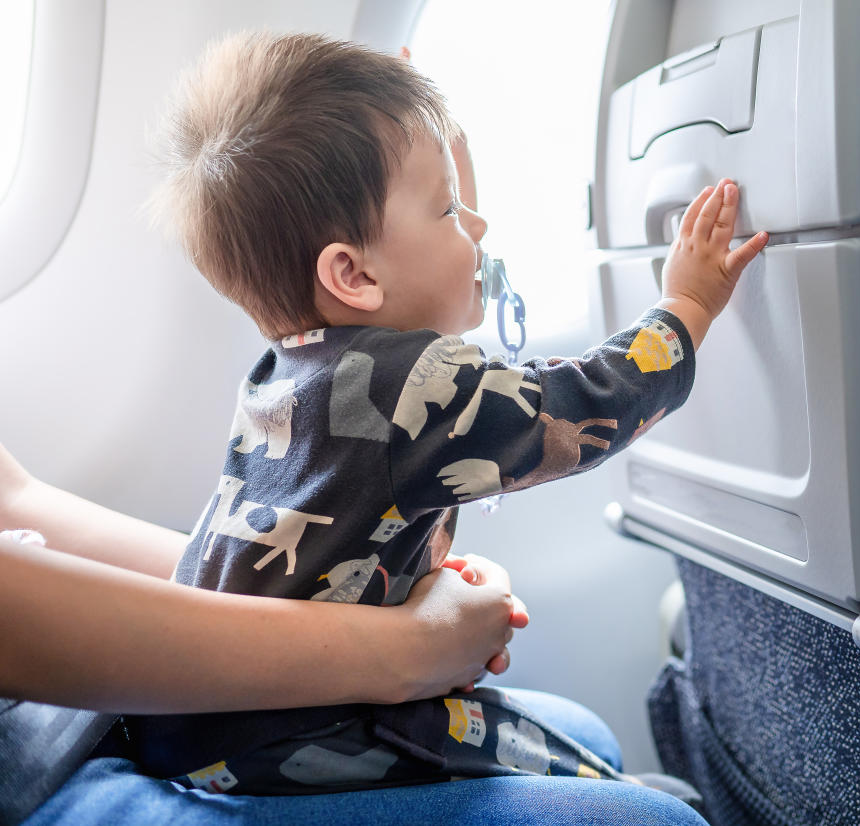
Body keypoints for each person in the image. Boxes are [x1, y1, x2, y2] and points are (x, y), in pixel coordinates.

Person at [131, 30, 767, 797]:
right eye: (447, 209)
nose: (478, 227)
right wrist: (687, 305)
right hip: (301, 732)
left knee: (564, 750)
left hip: (206, 721)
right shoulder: (409, 384)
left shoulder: (287, 369)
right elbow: (579, 408)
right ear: (354, 274)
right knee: (619, 787)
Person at [0, 446, 708, 825]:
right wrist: (408, 651)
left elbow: (16, 506)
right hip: (29, 787)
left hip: (93, 715)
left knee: (581, 733)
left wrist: (359, 599)